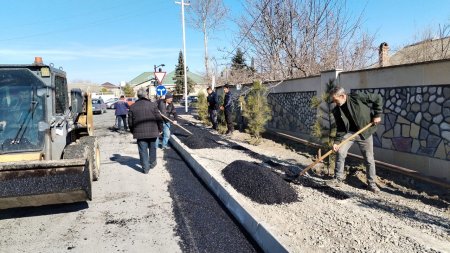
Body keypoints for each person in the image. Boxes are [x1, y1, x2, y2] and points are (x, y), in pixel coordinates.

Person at [327, 86, 383, 193]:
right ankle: (338, 179)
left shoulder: (357, 97)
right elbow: (340, 128)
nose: (334, 102)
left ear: (343, 96)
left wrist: (377, 114)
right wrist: (337, 142)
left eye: (336, 100)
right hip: (349, 133)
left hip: (365, 132)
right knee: (340, 152)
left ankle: (372, 184)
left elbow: (377, 98)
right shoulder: (337, 110)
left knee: (369, 158)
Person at [128, 89, 162, 174]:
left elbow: (130, 121)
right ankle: (152, 163)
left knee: (142, 151)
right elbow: (159, 118)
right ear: (146, 95)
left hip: (139, 133)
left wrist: (132, 130)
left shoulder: (133, 106)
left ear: (138, 96)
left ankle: (145, 168)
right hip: (153, 131)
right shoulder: (152, 105)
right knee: (153, 148)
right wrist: (160, 129)